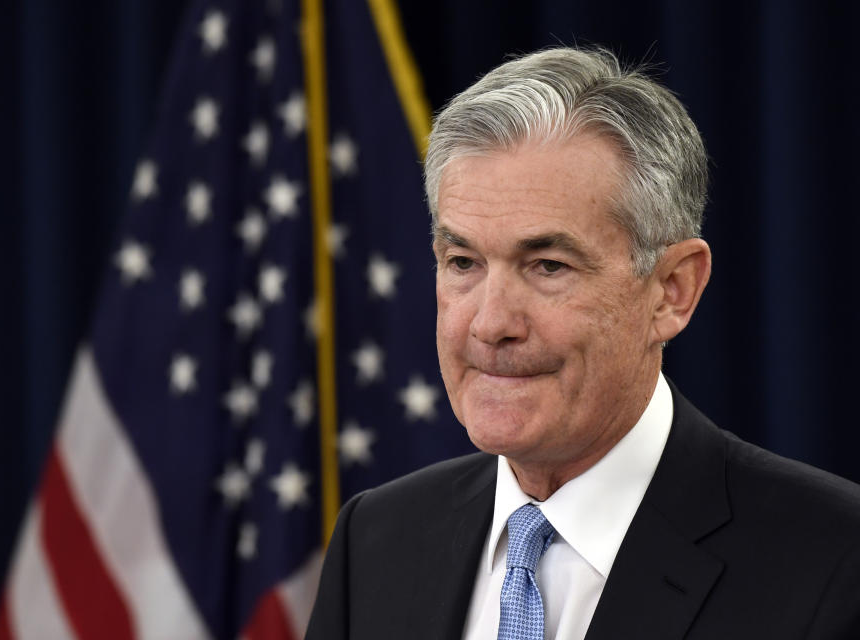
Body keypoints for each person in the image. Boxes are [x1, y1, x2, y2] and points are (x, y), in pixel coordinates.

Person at [305, 47, 860, 640]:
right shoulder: (376, 539)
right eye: (463, 261)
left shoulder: (836, 561)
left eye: (547, 265)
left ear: (672, 290)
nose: (490, 324)